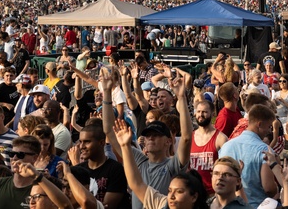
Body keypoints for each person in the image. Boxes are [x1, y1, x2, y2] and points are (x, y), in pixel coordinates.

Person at [103, 70, 192, 209]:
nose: (150, 138)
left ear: (168, 141)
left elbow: (186, 138)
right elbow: (108, 130)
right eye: (148, 134)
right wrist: (107, 93)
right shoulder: (139, 160)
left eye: (156, 135)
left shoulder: (172, 166)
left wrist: (181, 97)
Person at [112, 119, 208, 209]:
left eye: (179, 191)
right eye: (169, 191)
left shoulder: (171, 165)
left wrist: (182, 100)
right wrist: (124, 145)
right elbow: (136, 184)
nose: (172, 196)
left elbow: (186, 138)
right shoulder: (163, 203)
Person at [218, 104, 279, 207]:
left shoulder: (226, 146)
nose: (269, 131)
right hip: (255, 205)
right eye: (269, 127)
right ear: (259, 124)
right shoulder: (265, 150)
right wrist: (278, 189)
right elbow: (268, 188)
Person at [69, 118, 127, 209]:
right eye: (80, 142)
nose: (82, 146)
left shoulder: (116, 169)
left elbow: (106, 206)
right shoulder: (79, 169)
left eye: (87, 142)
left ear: (101, 143)